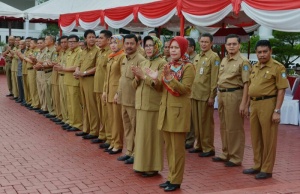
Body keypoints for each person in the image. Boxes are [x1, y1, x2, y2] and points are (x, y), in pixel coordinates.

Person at [146, 36, 195, 191]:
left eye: (176, 48)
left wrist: (169, 78)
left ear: (183, 49)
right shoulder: (168, 65)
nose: (173, 50)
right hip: (166, 112)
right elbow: (161, 89)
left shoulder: (188, 67)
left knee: (177, 150)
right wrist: (155, 80)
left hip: (178, 113)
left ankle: (176, 180)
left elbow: (185, 89)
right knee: (169, 149)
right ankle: (171, 177)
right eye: (171, 48)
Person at [243, 40, 288, 179]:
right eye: (259, 52)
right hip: (255, 105)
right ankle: (257, 165)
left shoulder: (278, 67)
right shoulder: (255, 67)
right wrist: (247, 105)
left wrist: (277, 111)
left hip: (268, 104)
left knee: (268, 138)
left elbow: (281, 90)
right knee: (256, 137)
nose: (262, 55)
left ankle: (267, 169)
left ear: (270, 51)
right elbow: (251, 87)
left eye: (265, 51)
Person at [212, 34, 251, 167]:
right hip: (222, 95)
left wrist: (244, 103)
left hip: (234, 95)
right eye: (229, 44)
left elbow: (247, 84)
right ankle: (225, 152)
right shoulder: (224, 60)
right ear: (226, 45)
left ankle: (235, 157)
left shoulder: (243, 61)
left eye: (234, 44)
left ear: (239, 45)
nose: (231, 46)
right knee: (224, 126)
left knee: (234, 127)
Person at [131, 35, 166, 177]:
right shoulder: (144, 63)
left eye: (151, 45)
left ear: (157, 46)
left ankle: (152, 167)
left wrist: (144, 77)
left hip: (153, 106)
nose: (149, 48)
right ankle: (141, 165)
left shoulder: (163, 63)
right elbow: (134, 85)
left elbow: (159, 85)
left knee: (152, 138)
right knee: (141, 137)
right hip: (141, 104)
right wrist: (137, 78)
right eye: (146, 46)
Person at [116, 34, 146, 162]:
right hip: (124, 99)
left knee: (135, 128)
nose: (129, 46)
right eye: (126, 43)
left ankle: (135, 154)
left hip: (133, 100)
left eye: (131, 44)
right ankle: (129, 151)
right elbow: (122, 78)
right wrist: (117, 93)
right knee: (127, 127)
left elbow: (140, 81)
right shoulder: (124, 58)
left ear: (137, 44)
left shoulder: (140, 60)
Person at [189, 33, 220, 157]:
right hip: (195, 94)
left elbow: (214, 78)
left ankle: (208, 147)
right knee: (196, 122)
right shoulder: (197, 56)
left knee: (205, 122)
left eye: (206, 42)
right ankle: (199, 145)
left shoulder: (214, 57)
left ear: (211, 43)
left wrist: (212, 95)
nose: (203, 44)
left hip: (205, 95)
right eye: (202, 41)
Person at [74, 29, 100, 139]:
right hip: (82, 80)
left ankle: (94, 131)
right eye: (89, 37)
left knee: (92, 106)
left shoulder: (98, 51)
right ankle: (86, 128)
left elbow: (97, 67)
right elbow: (79, 64)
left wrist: (83, 73)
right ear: (85, 39)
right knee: (85, 105)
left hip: (90, 79)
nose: (92, 39)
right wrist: (77, 71)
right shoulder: (83, 51)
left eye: (93, 37)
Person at [102, 35, 125, 155]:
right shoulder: (110, 57)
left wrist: (118, 93)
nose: (113, 45)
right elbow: (107, 77)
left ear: (121, 43)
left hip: (116, 93)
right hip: (109, 91)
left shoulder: (122, 56)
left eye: (116, 42)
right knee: (110, 118)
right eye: (111, 42)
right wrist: (105, 91)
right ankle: (112, 141)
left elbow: (122, 77)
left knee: (117, 120)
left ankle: (118, 144)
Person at [58, 35, 83, 132]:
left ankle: (77, 124)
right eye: (70, 42)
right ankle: (72, 122)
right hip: (67, 80)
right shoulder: (69, 52)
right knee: (69, 103)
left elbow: (76, 66)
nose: (71, 43)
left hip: (74, 81)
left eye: (73, 41)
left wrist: (63, 68)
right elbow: (66, 65)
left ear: (77, 42)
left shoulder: (79, 52)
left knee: (75, 104)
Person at [93, 30, 112, 143]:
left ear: (108, 40)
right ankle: (102, 135)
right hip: (97, 86)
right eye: (98, 38)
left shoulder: (110, 53)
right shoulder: (100, 52)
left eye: (101, 38)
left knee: (107, 114)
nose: (98, 40)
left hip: (105, 88)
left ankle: (109, 138)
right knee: (101, 112)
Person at [23, 38, 40, 111]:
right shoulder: (31, 51)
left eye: (32, 43)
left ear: (36, 44)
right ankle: (33, 102)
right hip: (29, 70)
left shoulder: (36, 51)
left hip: (33, 70)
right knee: (31, 87)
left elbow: (34, 62)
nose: (30, 44)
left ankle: (36, 104)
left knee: (33, 87)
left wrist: (25, 58)